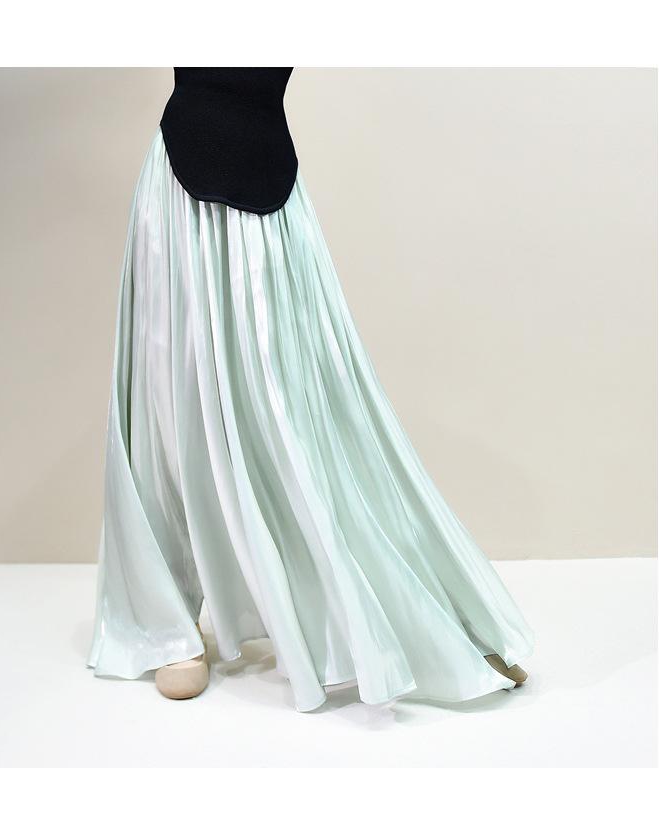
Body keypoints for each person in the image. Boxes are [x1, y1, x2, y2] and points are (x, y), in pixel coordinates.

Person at [87, 67, 533, 712]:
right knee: (167, 401)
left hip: (268, 182)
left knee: (312, 408)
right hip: (181, 187)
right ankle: (164, 624)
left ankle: (426, 618)